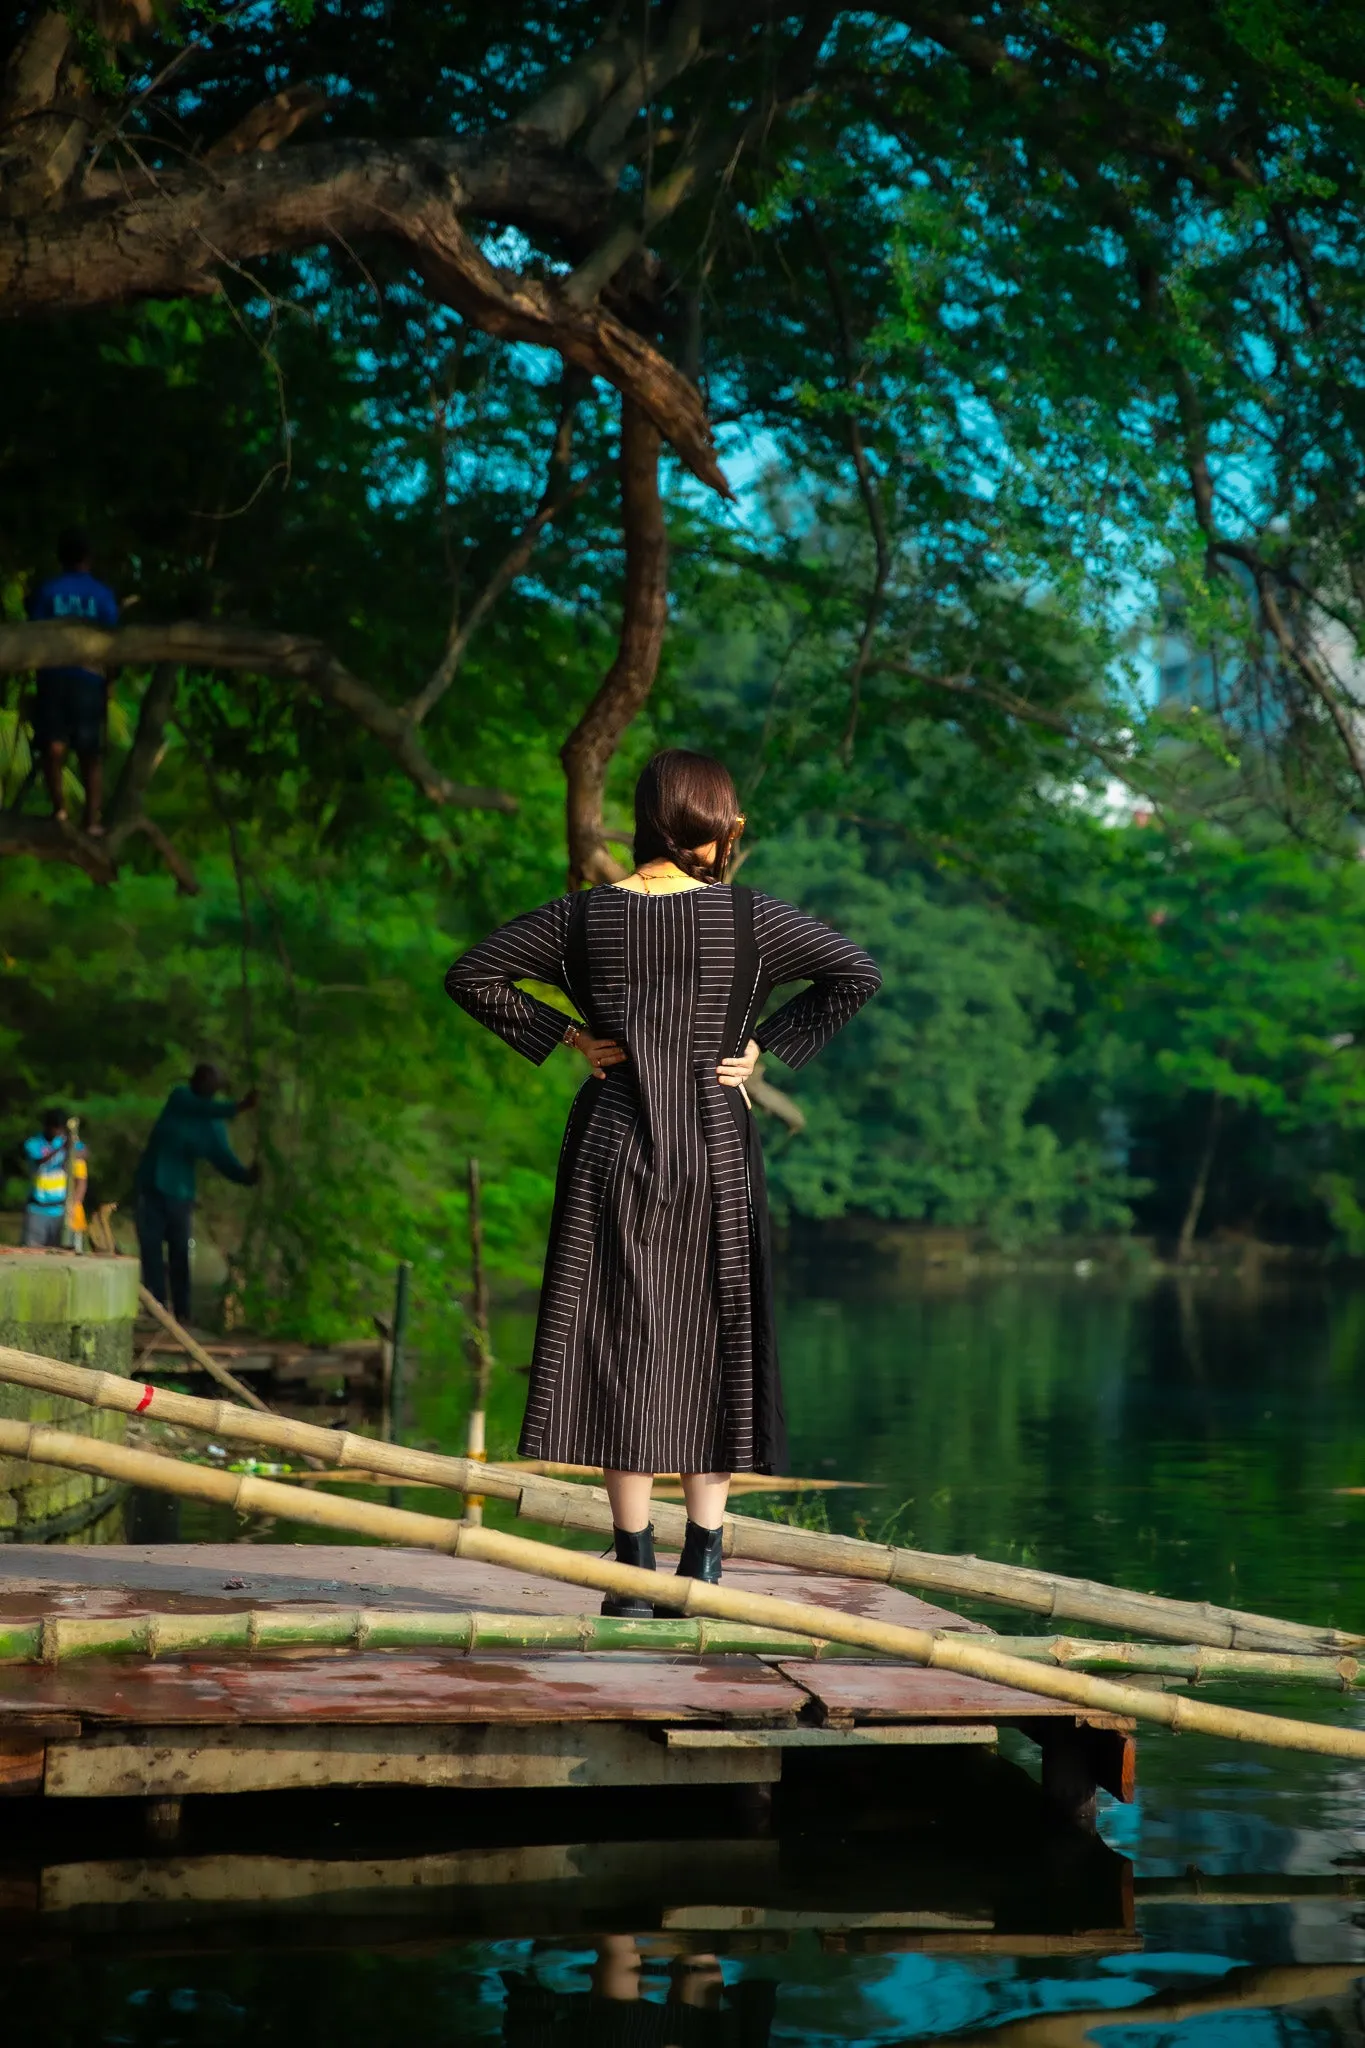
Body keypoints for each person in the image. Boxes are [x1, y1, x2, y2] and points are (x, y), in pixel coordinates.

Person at [445, 749, 880, 1613]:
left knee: (619, 1335)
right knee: (713, 1333)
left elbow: (471, 973)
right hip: (713, 1142)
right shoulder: (749, 920)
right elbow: (854, 972)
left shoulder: (581, 919)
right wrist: (766, 1047)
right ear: (711, 828)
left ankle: (630, 1566)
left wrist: (568, 1035)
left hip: (612, 1139)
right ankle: (706, 1562)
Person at [135, 1065, 259, 1325]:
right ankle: (156, 1307)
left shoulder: (213, 1125)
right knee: (151, 1249)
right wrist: (238, 1107)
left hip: (180, 1193)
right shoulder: (180, 1098)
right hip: (152, 1185)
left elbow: (222, 1157)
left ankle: (182, 1312)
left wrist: (246, 1175)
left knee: (180, 1252)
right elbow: (203, 1108)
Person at [27, 527, 119, 836]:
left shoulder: (48, 591)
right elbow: (114, 643)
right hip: (88, 679)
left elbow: (34, 633)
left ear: (60, 558)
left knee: (53, 747)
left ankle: (60, 812)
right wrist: (110, 681)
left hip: (53, 677)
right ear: (89, 558)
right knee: (89, 751)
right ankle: (92, 821)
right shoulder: (103, 594)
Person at [21, 1110, 87, 1250]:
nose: (57, 1131)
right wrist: (61, 1149)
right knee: (32, 1251)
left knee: (62, 1251)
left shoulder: (65, 1140)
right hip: (37, 1209)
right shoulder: (34, 1143)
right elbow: (39, 1160)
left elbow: (84, 1153)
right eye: (55, 1128)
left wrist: (73, 1148)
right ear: (47, 1126)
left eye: (60, 1128)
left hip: (61, 1209)